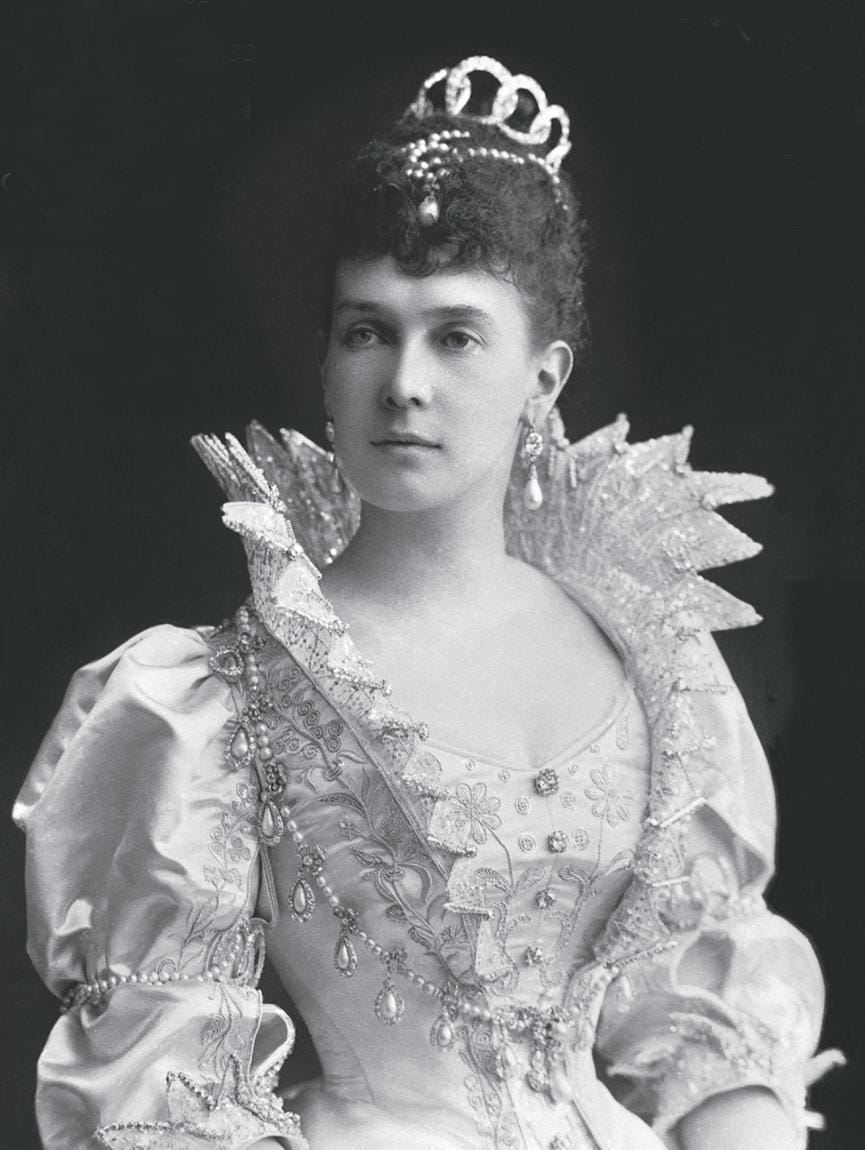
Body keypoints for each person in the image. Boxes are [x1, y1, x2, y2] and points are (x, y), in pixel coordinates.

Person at [13, 55, 842, 1150]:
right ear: (325, 360)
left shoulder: (655, 663)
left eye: (455, 335)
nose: (404, 381)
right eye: (367, 329)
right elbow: (160, 1087)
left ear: (541, 378)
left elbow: (708, 993)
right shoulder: (219, 695)